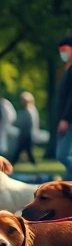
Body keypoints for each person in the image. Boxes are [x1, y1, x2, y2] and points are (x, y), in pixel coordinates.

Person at [54, 38, 72, 178]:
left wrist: (65, 118)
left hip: (69, 119)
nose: (63, 54)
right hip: (65, 119)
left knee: (63, 155)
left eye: (65, 50)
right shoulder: (68, 69)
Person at [12, 92, 38, 165]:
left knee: (20, 151)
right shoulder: (30, 110)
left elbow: (27, 124)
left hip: (26, 135)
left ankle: (12, 163)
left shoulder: (30, 111)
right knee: (26, 151)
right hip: (26, 134)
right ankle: (33, 163)